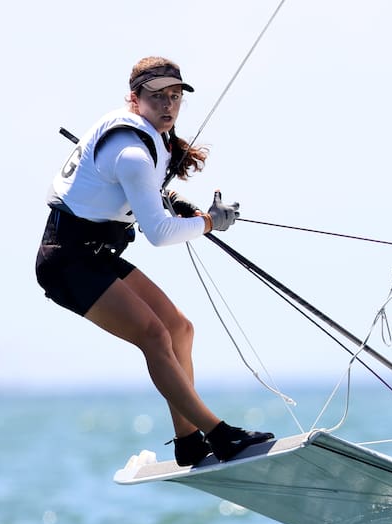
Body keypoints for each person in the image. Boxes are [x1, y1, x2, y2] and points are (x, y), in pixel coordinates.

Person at [35, 56, 273, 467]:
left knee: (179, 328)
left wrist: (172, 202)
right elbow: (160, 234)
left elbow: (122, 196)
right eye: (157, 96)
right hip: (67, 262)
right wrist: (209, 223)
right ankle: (219, 434)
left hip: (96, 254)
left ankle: (188, 442)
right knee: (154, 336)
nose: (168, 105)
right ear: (135, 98)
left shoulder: (147, 140)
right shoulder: (132, 151)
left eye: (176, 97)